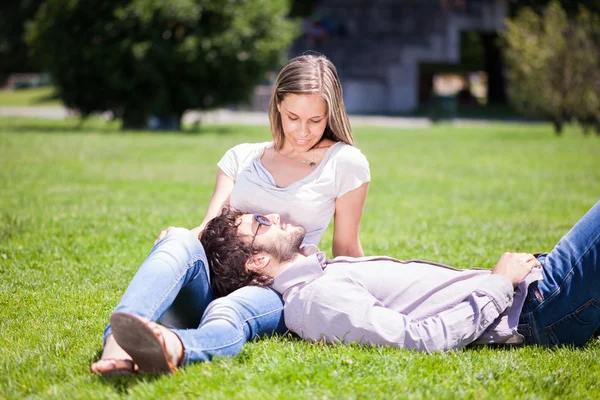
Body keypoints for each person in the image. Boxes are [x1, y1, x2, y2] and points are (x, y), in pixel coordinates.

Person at [91, 54, 371, 375]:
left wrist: (369, 300)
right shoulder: (242, 157)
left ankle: (171, 347)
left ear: (330, 114)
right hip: (210, 281)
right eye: (293, 117)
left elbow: (347, 247)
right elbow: (208, 227)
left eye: (315, 120)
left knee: (230, 309)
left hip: (272, 291)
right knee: (180, 237)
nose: (303, 132)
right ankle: (116, 345)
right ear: (277, 104)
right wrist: (176, 240)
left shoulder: (345, 163)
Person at [106, 201, 599, 373]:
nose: (274, 215)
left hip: (533, 288)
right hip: (537, 304)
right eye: (261, 222)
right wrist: (498, 283)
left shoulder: (322, 274)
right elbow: (417, 340)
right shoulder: (315, 301)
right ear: (257, 260)